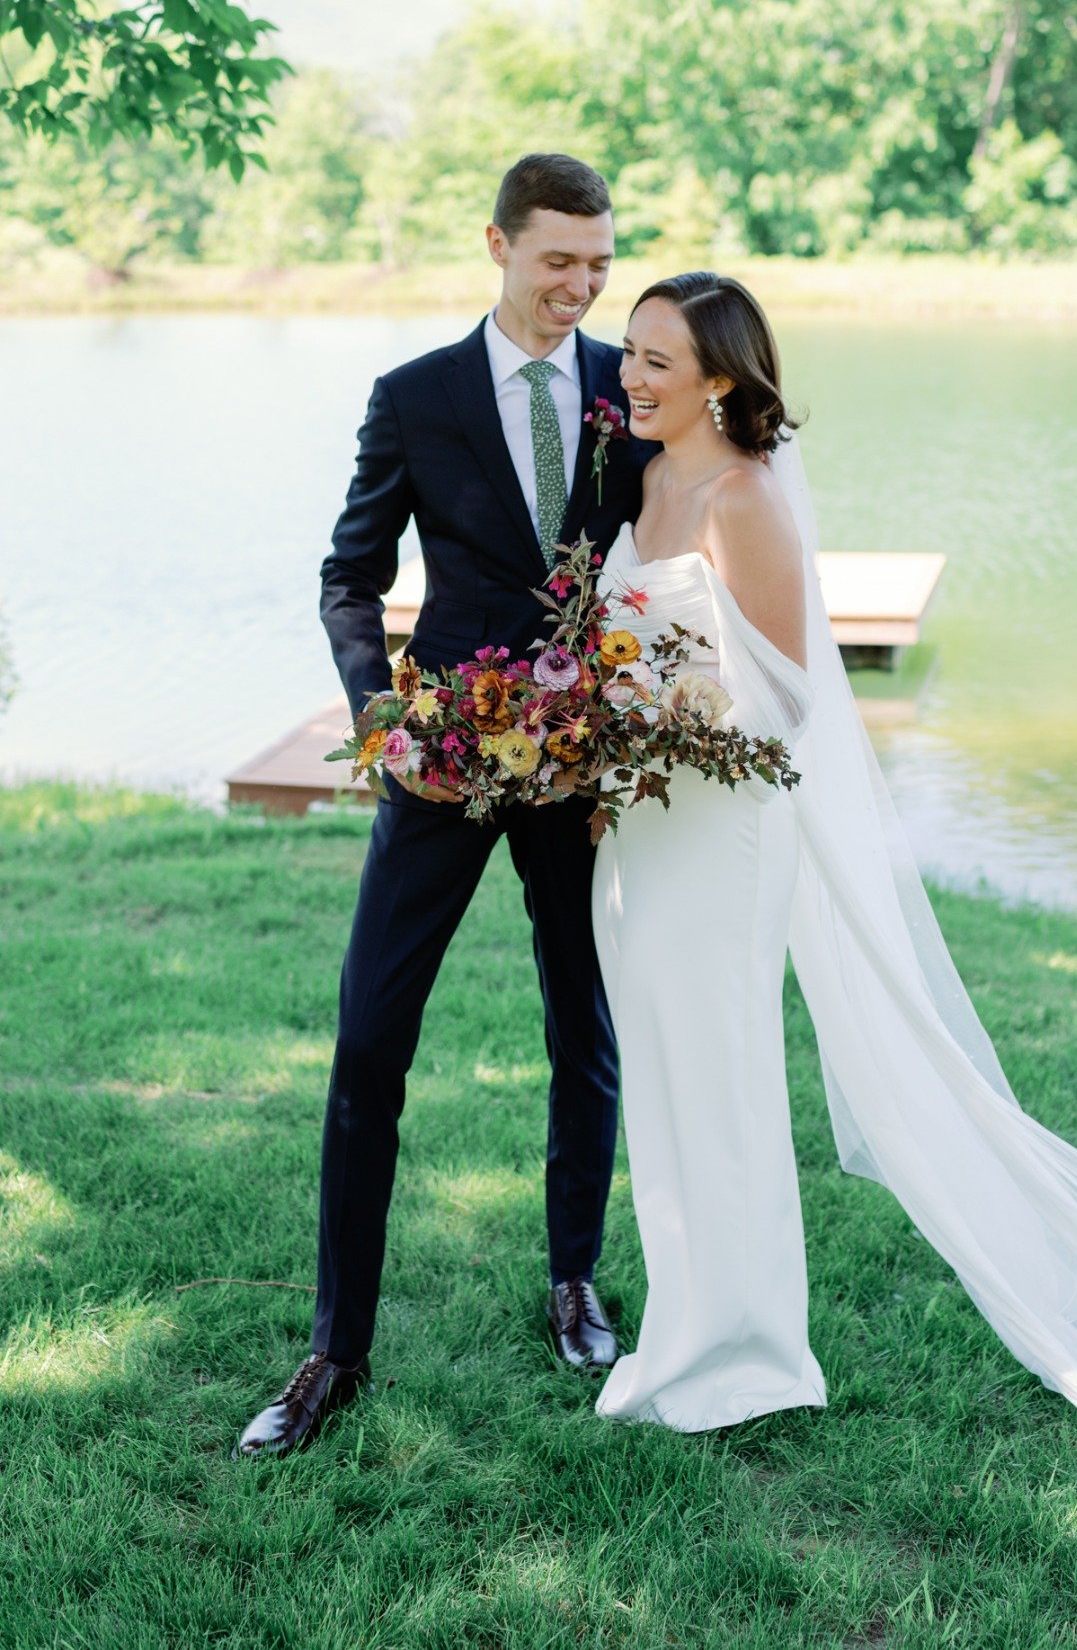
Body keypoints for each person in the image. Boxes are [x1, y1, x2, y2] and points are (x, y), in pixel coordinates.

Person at [590, 271, 1077, 1477]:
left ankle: (747, 1355)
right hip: (640, 834)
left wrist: (654, 707)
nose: (633, 376)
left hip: (724, 831)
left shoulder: (744, 496)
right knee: (662, 1086)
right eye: (630, 352)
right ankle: (684, 1333)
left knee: (724, 1086)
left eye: (660, 361)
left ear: (721, 379)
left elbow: (789, 695)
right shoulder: (650, 477)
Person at [236, 154, 655, 1458]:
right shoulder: (411, 398)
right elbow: (348, 576)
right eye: (556, 264)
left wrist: (632, 721)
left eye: (597, 265)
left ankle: (574, 1279)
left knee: (583, 1024)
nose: (579, 289)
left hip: (578, 765)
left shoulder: (626, 391)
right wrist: (385, 721)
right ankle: (332, 1350)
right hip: (445, 756)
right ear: (498, 245)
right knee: (369, 1040)